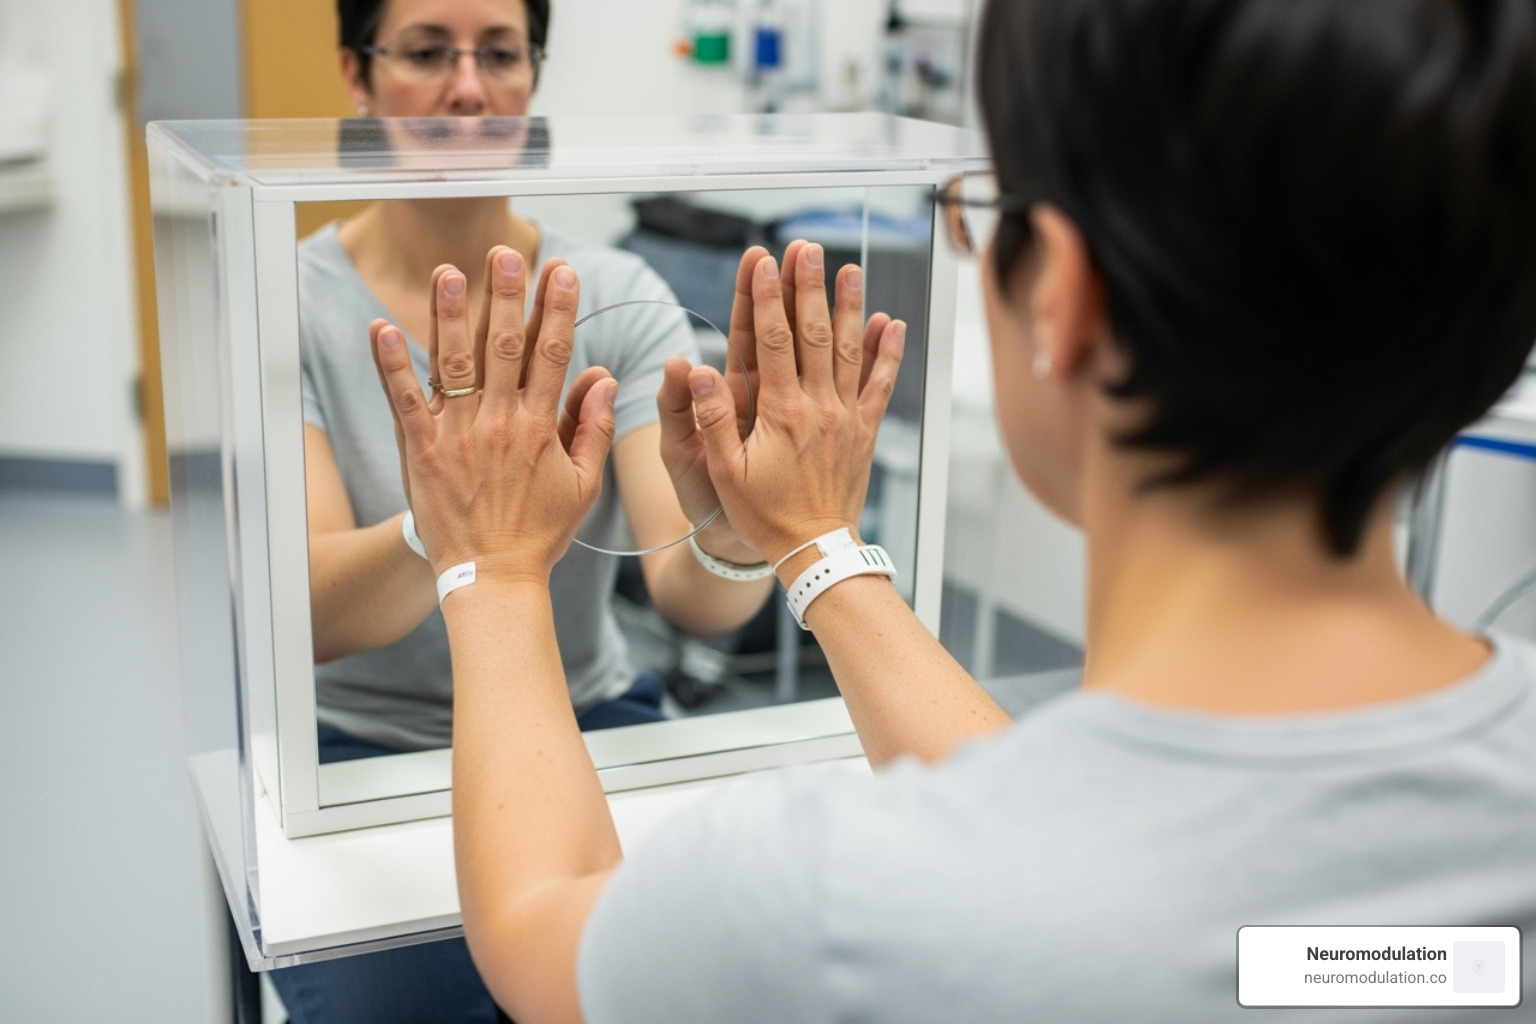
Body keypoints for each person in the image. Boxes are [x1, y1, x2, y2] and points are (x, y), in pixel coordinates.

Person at [371, 0, 1536, 1021]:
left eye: (982, 208)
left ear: (1064, 295)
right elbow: (1169, 904)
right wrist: (814, 545)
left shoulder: (826, 901)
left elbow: (535, 931)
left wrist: (494, 567)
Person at [273, 0, 773, 1018]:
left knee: (682, 983)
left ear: (534, 74)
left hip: (584, 716)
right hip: (372, 748)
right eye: (425, 52)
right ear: (355, 74)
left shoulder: (615, 293)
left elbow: (687, 589)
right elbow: (315, 609)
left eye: (500, 53)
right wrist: (456, 521)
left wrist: (737, 523)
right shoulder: (292, 302)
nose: (469, 88)